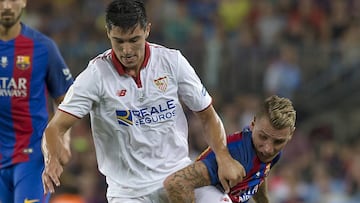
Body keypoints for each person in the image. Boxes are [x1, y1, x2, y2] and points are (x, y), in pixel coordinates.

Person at [41, 0, 245, 202]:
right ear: (108, 33)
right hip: (129, 193)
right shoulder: (95, 76)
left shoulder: (171, 61)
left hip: (180, 175)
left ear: (147, 30)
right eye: (119, 41)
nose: (126, 50)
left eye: (134, 40)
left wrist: (223, 156)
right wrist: (51, 160)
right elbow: (55, 128)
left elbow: (208, 115)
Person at [0, 0, 74, 203]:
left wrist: (63, 140)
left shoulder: (43, 47)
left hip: (32, 157)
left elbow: (66, 100)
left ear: (23, 1)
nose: (7, 6)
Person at [164, 95, 296, 203]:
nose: (268, 149)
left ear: (290, 135)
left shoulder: (274, 154)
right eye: (262, 137)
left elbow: (259, 175)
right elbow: (176, 183)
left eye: (278, 141)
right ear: (253, 123)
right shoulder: (236, 153)